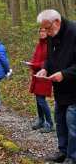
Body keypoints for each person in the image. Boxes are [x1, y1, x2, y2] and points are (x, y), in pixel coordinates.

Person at [36, 9, 76, 164]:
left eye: (47, 28)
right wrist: (45, 68)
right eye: (43, 28)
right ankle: (62, 151)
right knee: (59, 121)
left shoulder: (73, 32)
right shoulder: (53, 36)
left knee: (72, 124)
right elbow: (49, 57)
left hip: (73, 90)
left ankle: (73, 156)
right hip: (60, 90)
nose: (45, 32)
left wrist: (64, 74)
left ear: (57, 22)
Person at [28, 28, 53, 133]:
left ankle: (49, 123)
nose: (42, 33)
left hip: (45, 74)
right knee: (38, 98)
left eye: (44, 31)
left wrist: (35, 64)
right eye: (40, 31)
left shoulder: (50, 44)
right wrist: (31, 63)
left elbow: (48, 61)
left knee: (41, 99)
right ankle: (41, 120)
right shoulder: (40, 43)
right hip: (36, 74)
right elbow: (35, 57)